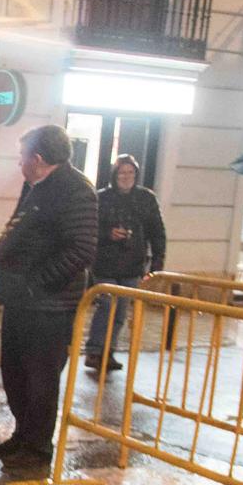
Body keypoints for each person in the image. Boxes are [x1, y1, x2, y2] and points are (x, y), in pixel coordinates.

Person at [0, 124, 98, 466]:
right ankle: (22, 435)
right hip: (22, 301)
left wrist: (37, 283)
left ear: (37, 158)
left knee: (40, 377)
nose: (18, 162)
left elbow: (81, 249)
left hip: (49, 305)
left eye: (22, 156)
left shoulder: (74, 190)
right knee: (14, 370)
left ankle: (37, 447)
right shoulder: (36, 186)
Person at [83, 155, 167, 373]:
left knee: (121, 309)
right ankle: (95, 350)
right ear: (114, 175)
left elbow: (157, 231)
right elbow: (89, 227)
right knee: (107, 304)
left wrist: (157, 262)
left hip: (132, 262)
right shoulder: (101, 198)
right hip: (105, 262)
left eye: (130, 173)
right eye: (122, 173)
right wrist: (108, 234)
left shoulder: (146, 198)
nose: (126, 177)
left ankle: (108, 351)